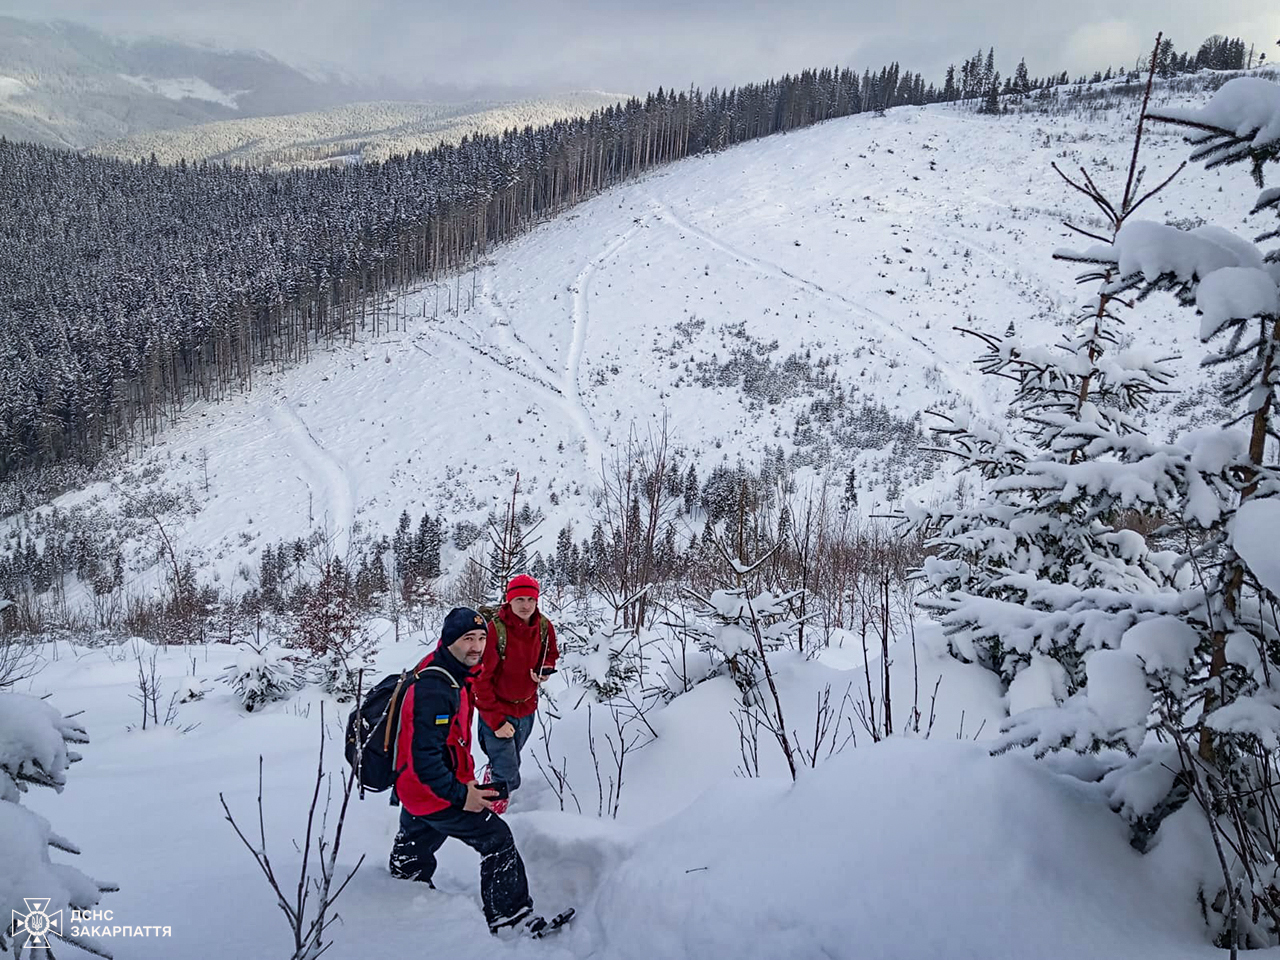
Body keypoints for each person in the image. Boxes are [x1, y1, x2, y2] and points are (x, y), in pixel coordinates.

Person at [388, 606, 536, 934]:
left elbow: (449, 741)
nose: (477, 646)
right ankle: (510, 917)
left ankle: (401, 884)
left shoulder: (450, 671)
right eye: (468, 638)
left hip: (415, 787)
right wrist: (461, 795)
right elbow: (425, 759)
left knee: (417, 838)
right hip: (432, 789)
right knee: (497, 838)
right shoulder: (436, 688)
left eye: (482, 638)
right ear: (449, 639)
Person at [474, 574, 559, 812]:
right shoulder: (495, 631)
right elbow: (481, 681)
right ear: (509, 601)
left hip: (527, 708)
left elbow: (551, 653)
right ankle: (491, 811)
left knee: (512, 758)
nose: (525, 605)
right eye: (519, 599)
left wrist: (545, 670)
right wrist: (496, 720)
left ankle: (495, 777)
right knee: (508, 770)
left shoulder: (543, 626)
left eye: (530, 599)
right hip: (498, 708)